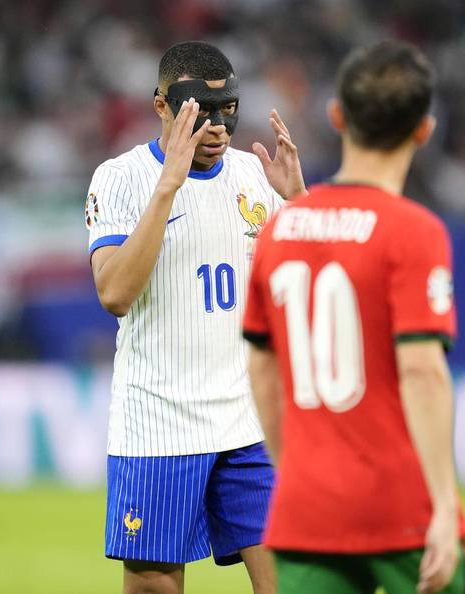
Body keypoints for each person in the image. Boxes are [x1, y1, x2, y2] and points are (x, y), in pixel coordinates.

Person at [242, 40, 465, 594]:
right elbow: (423, 371)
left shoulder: (280, 229)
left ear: (337, 117)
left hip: (307, 509)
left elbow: (261, 370)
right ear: (424, 129)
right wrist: (446, 509)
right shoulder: (414, 230)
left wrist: (293, 472)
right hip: (397, 503)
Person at [86, 41, 306, 594]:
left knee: (291, 580)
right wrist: (168, 188)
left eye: (227, 110)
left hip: (246, 424)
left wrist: (300, 204)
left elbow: (311, 288)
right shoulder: (120, 178)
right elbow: (114, 294)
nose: (217, 127)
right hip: (157, 425)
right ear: (162, 105)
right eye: (199, 112)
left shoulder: (257, 178)